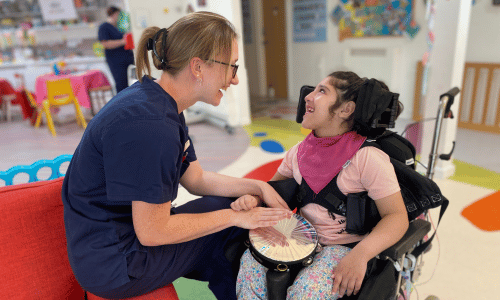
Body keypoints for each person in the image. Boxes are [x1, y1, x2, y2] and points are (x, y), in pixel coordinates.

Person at [63, 12, 292, 300]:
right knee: (231, 229)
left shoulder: (158, 102)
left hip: (108, 242)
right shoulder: (152, 127)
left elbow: (195, 179)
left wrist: (259, 186)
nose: (234, 80)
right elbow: (152, 232)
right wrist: (236, 219)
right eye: (231, 67)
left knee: (228, 209)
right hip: (114, 263)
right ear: (197, 67)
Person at [234, 71, 410, 299]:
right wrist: (255, 198)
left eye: (322, 91)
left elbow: (397, 217)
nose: (308, 96)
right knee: (250, 263)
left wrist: (360, 255)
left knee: (305, 293)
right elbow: (271, 189)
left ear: (345, 109)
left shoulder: (367, 158)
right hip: (300, 237)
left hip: (344, 247)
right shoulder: (298, 152)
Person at [98, 6, 135, 93]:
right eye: (119, 15)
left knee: (132, 83)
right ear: (114, 14)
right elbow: (105, 43)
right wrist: (123, 42)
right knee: (121, 84)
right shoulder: (104, 27)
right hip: (116, 61)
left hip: (127, 59)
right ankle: (122, 105)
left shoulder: (119, 27)